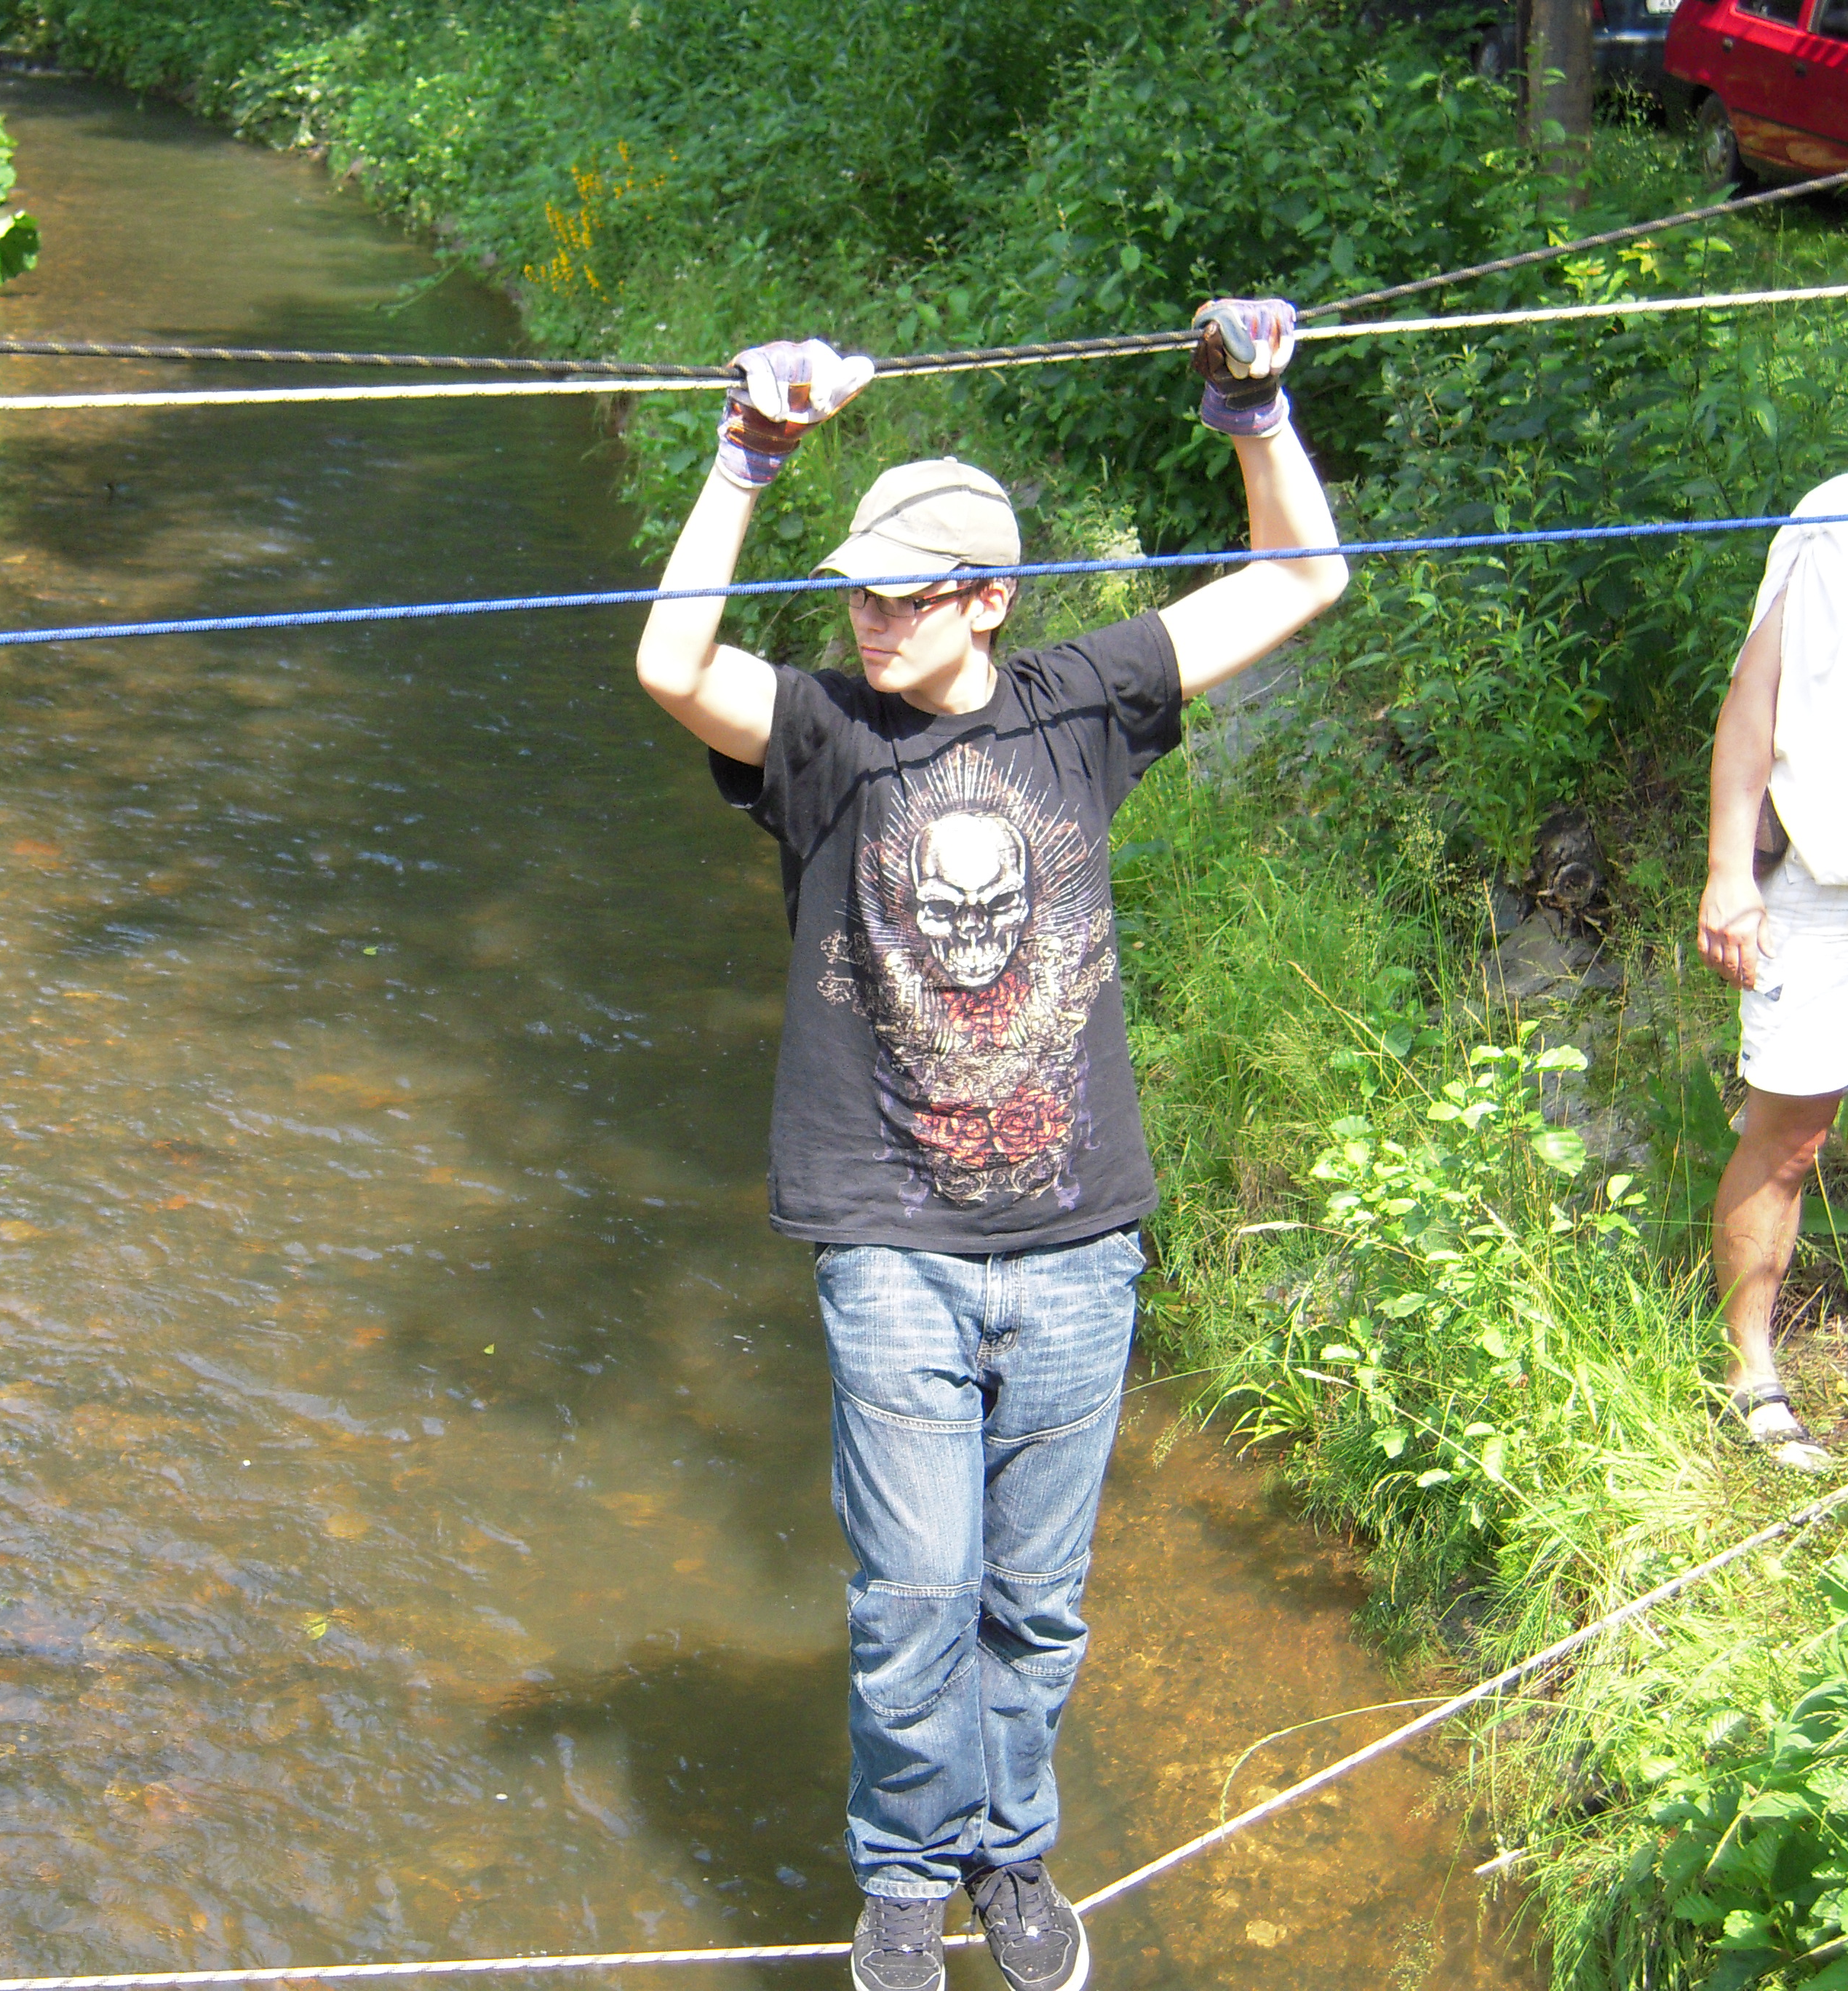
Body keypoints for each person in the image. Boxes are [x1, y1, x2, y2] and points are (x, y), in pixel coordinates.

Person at [632, 304, 1347, 1991]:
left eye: (905, 594)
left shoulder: (1081, 703)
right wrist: (747, 458)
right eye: (859, 594)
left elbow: (1304, 577)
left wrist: (1256, 413)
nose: (870, 619)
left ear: (990, 597)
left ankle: (1008, 1855)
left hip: (1081, 1243)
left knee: (1036, 1603)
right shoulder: (820, 734)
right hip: (890, 1242)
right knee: (913, 1594)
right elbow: (671, 666)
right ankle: (902, 1879)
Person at [1695, 471, 1848, 1475]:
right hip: (1827, 881)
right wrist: (1730, 872)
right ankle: (1750, 1379)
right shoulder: (1841, 513)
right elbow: (1751, 703)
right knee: (1790, 1139)